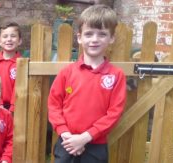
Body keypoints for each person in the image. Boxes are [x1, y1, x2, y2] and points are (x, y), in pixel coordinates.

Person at [47, 4, 126, 163]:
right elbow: (54, 105)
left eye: (102, 34)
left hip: (96, 146)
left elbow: (114, 113)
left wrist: (85, 137)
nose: (94, 39)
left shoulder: (116, 75)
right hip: (66, 142)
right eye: (89, 34)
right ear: (79, 37)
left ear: (111, 38)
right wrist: (65, 134)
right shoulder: (67, 73)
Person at [0, 22, 23, 111]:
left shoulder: (23, 64)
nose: (9, 39)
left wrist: (13, 107)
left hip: (18, 108)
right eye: (5, 36)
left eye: (13, 36)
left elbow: (20, 87)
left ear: (20, 40)